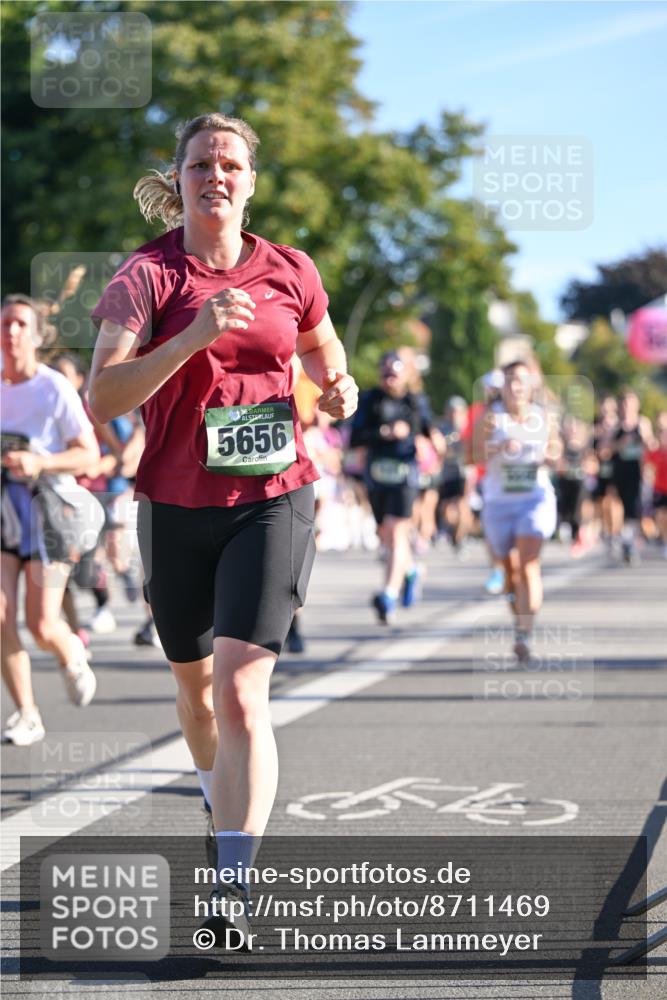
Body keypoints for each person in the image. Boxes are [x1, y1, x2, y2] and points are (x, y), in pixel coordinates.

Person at [87, 113, 358, 945]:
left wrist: (338, 388)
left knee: (243, 690)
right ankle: (219, 800)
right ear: (180, 177)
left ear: (250, 182)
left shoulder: (290, 268)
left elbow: (324, 354)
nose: (216, 174)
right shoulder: (146, 276)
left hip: (273, 497)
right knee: (196, 692)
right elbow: (102, 397)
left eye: (231, 163)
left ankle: (231, 886)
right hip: (174, 504)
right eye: (201, 162)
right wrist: (193, 336)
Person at [1, 296, 100, 745]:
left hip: (48, 513)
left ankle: (69, 649)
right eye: (5, 323)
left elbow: (88, 454)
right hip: (4, 511)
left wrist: (39, 462)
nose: (11, 331)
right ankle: (27, 713)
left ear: (37, 335)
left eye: (21, 324)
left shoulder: (53, 387)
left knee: (41, 625)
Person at [474, 360, 560, 663]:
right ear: (502, 385)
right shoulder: (490, 417)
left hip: (534, 498)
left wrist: (550, 455)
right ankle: (519, 619)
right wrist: (498, 448)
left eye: (521, 380)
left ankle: (524, 634)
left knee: (528, 565)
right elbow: (472, 456)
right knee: (510, 572)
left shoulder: (542, 416)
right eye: (510, 379)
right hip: (499, 502)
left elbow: (557, 450)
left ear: (531, 385)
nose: (515, 386)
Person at [350, 351, 433, 624]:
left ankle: (388, 594)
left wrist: (431, 444)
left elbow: (429, 432)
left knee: (397, 531)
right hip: (377, 475)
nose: (390, 378)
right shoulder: (370, 400)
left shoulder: (415, 402)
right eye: (385, 372)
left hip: (405, 476)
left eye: (395, 373)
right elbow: (355, 438)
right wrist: (385, 432)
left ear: (406, 374)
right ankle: (411, 572)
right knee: (386, 534)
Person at [608, 390, 652, 564]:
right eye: (624, 404)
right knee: (618, 507)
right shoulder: (616, 426)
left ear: (637, 406)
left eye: (630, 404)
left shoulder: (642, 423)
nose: (627, 408)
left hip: (636, 472)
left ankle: (631, 543)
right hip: (620, 471)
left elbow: (651, 445)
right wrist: (621, 443)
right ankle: (622, 540)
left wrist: (644, 436)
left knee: (635, 508)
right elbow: (606, 449)